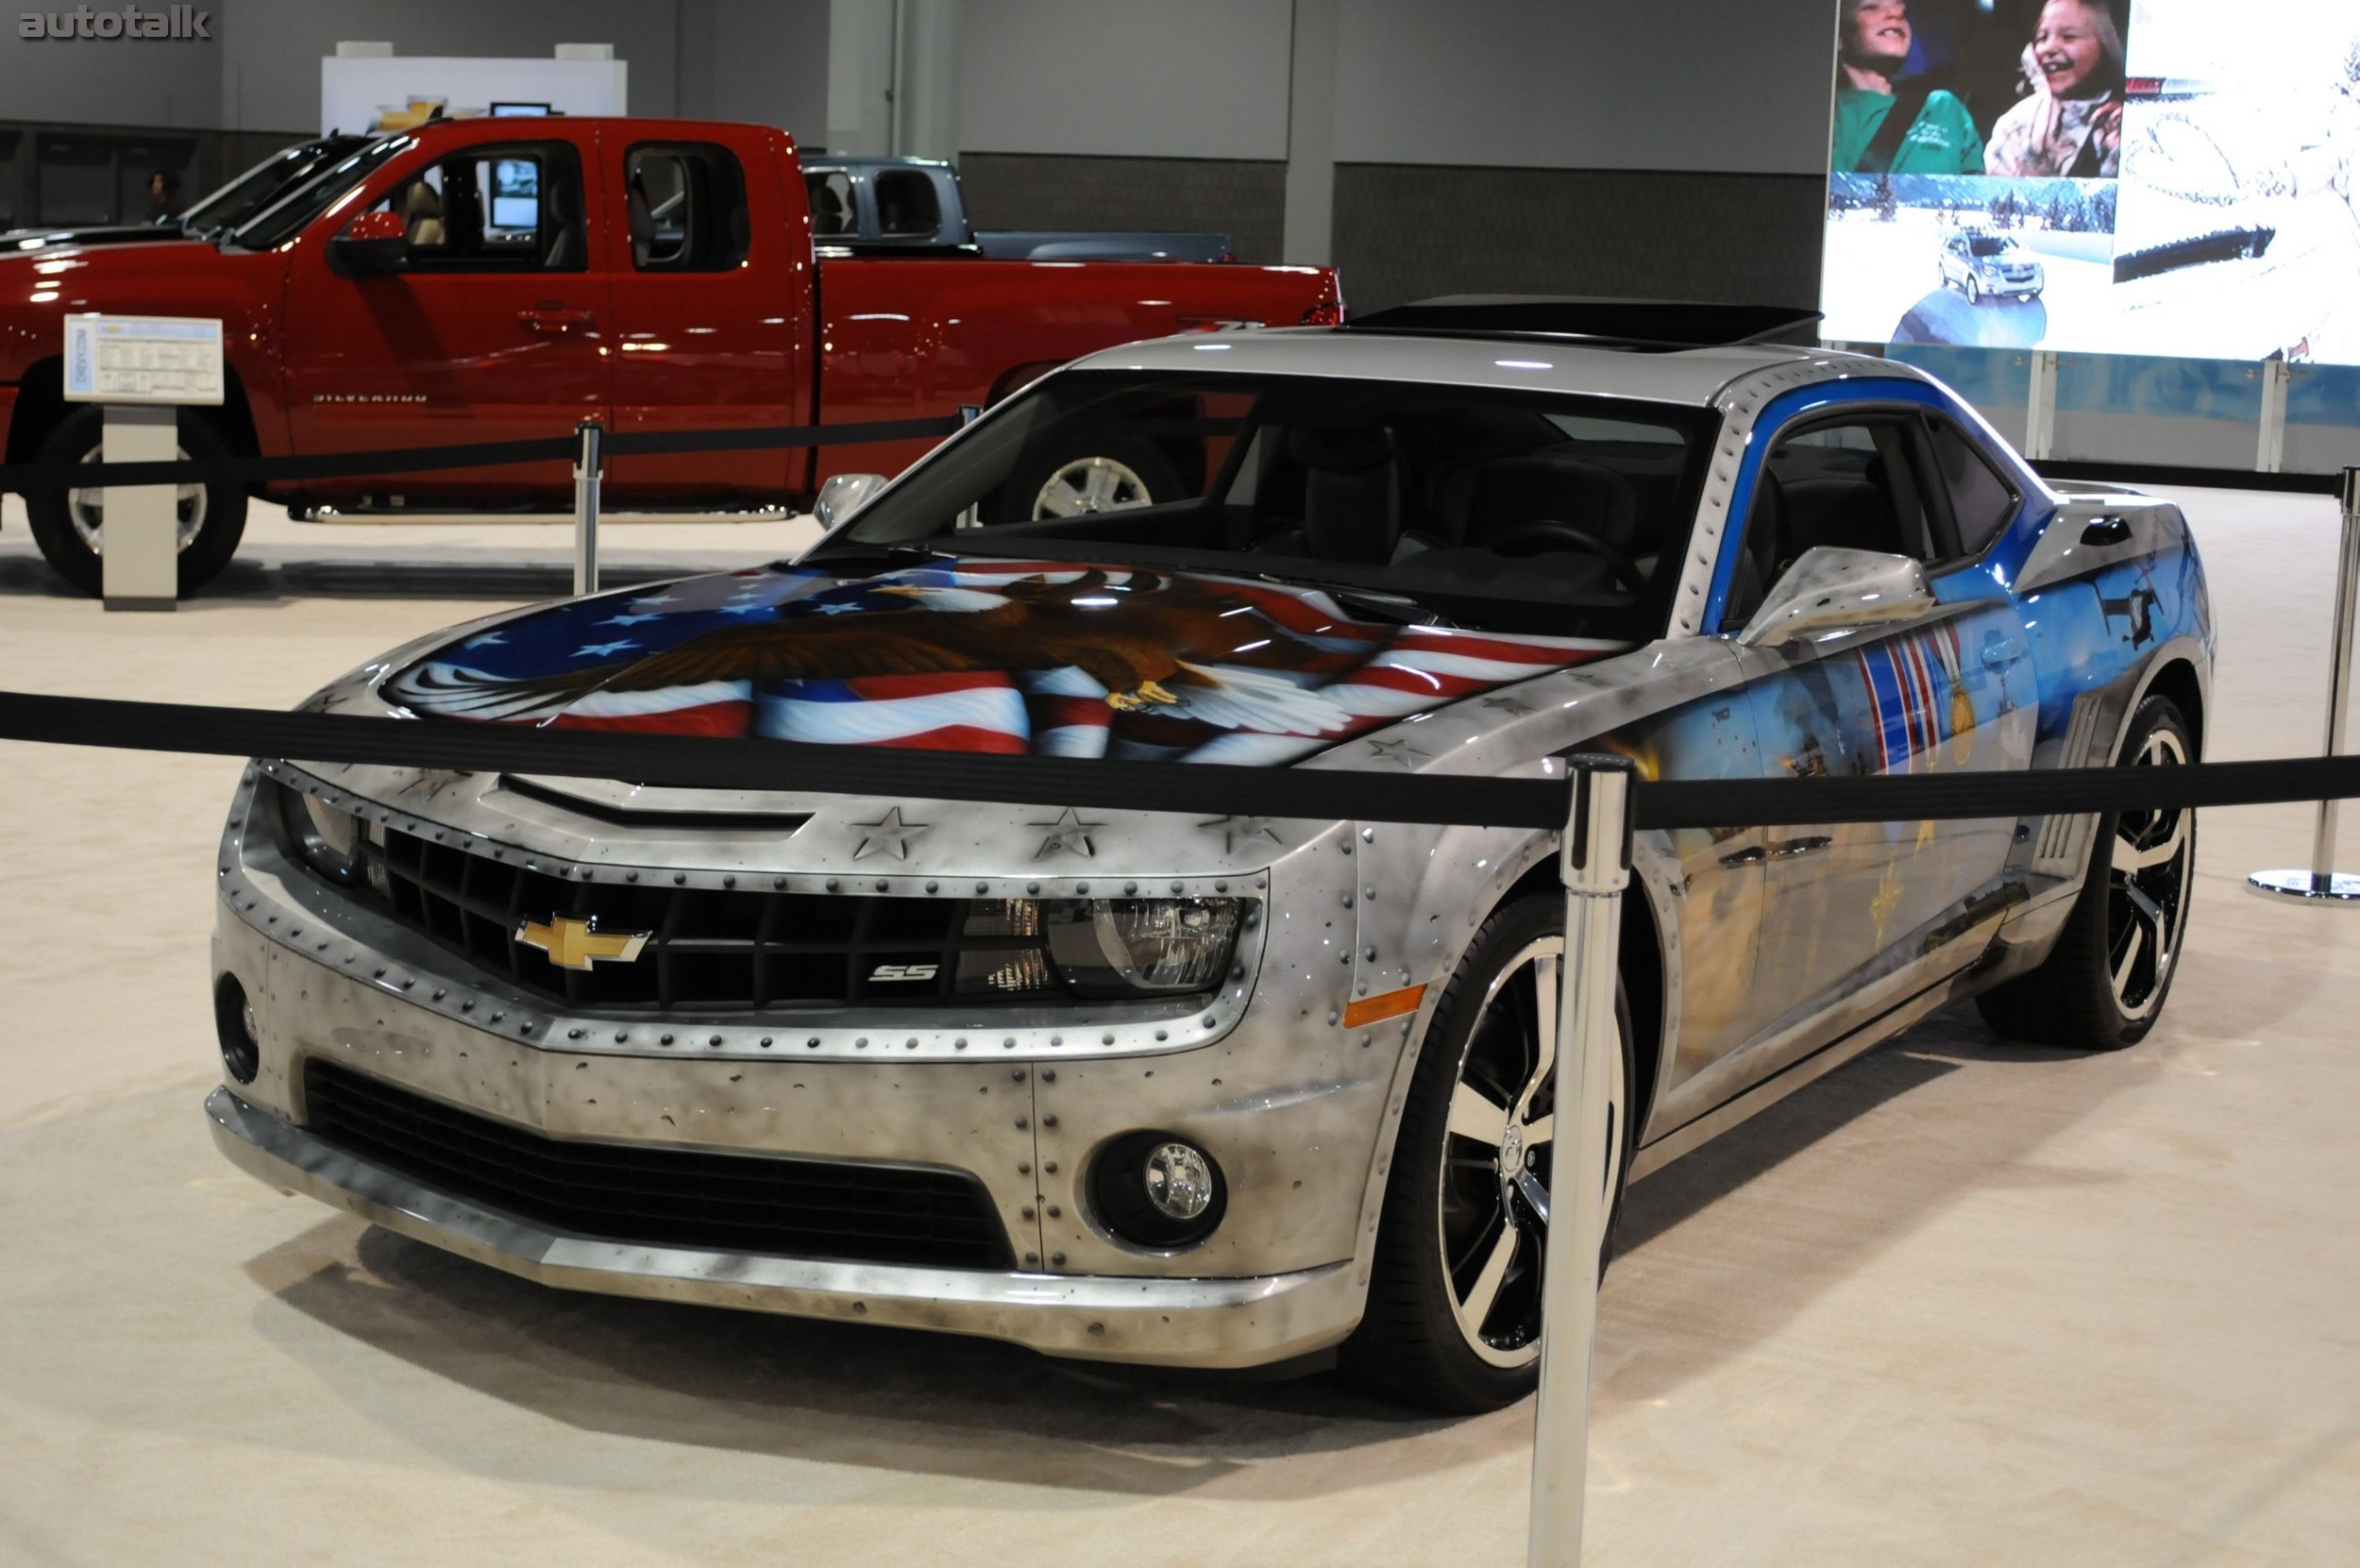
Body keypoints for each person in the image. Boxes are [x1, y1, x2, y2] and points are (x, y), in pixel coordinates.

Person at [1831, 0, 1984, 175]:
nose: (1895, 13)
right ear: (1839, 37)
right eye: (1872, 7)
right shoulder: (1823, 113)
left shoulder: (1943, 109)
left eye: (1902, 12)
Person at [1984, 0, 2126, 177]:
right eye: (2042, 37)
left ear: (2106, 44)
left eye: (2069, 36)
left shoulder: (2129, 119)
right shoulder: (2017, 125)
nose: (2049, 48)